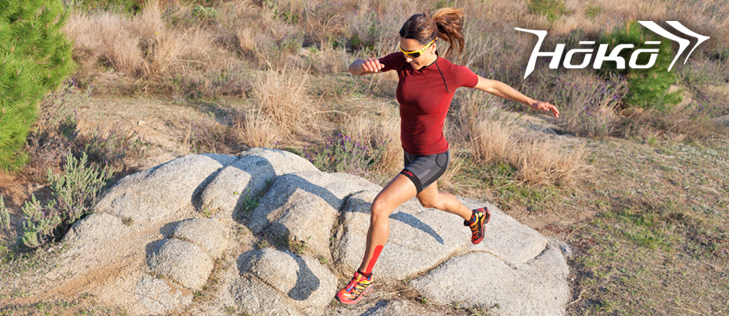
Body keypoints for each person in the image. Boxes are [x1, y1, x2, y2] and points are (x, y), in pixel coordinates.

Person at [335, 7, 560, 305]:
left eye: (414, 54)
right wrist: (363, 65)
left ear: (433, 47)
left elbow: (491, 84)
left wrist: (531, 101)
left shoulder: (450, 73)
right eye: (404, 52)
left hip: (433, 157)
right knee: (431, 201)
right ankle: (475, 216)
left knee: (381, 206)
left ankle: (363, 278)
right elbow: (352, 68)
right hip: (411, 153)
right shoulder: (403, 61)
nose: (408, 59)